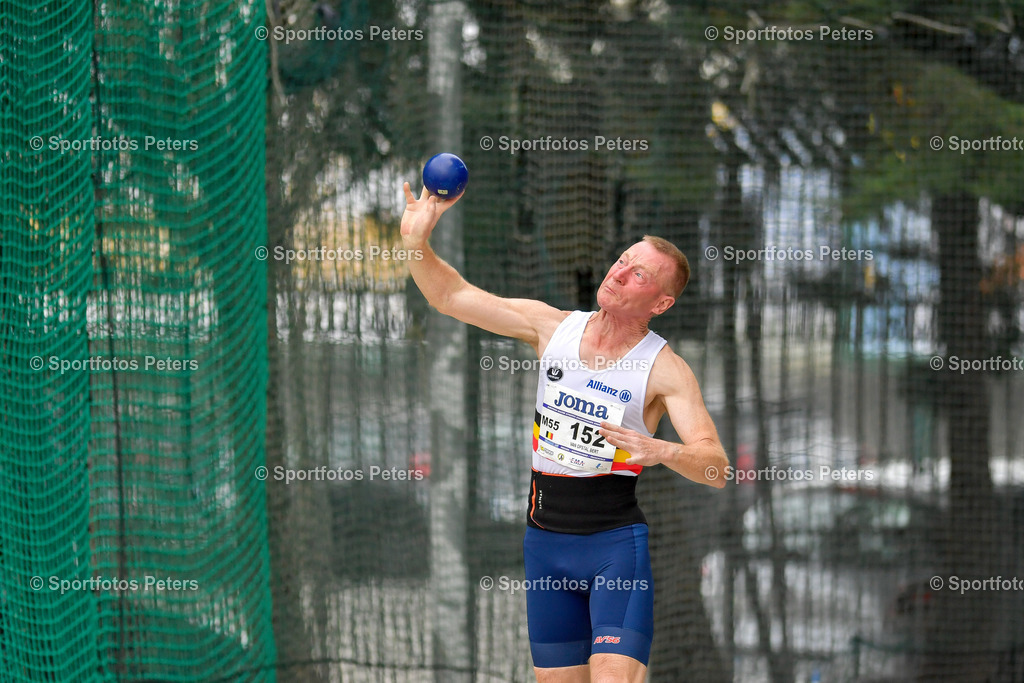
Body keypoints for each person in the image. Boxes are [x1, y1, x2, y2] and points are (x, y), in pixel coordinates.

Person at [400, 183, 728, 683]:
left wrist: (658, 449)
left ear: (660, 304)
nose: (618, 272)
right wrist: (417, 244)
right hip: (546, 546)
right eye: (622, 260)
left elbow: (716, 467)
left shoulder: (665, 370)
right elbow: (451, 297)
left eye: (638, 273)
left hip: (615, 549)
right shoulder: (552, 328)